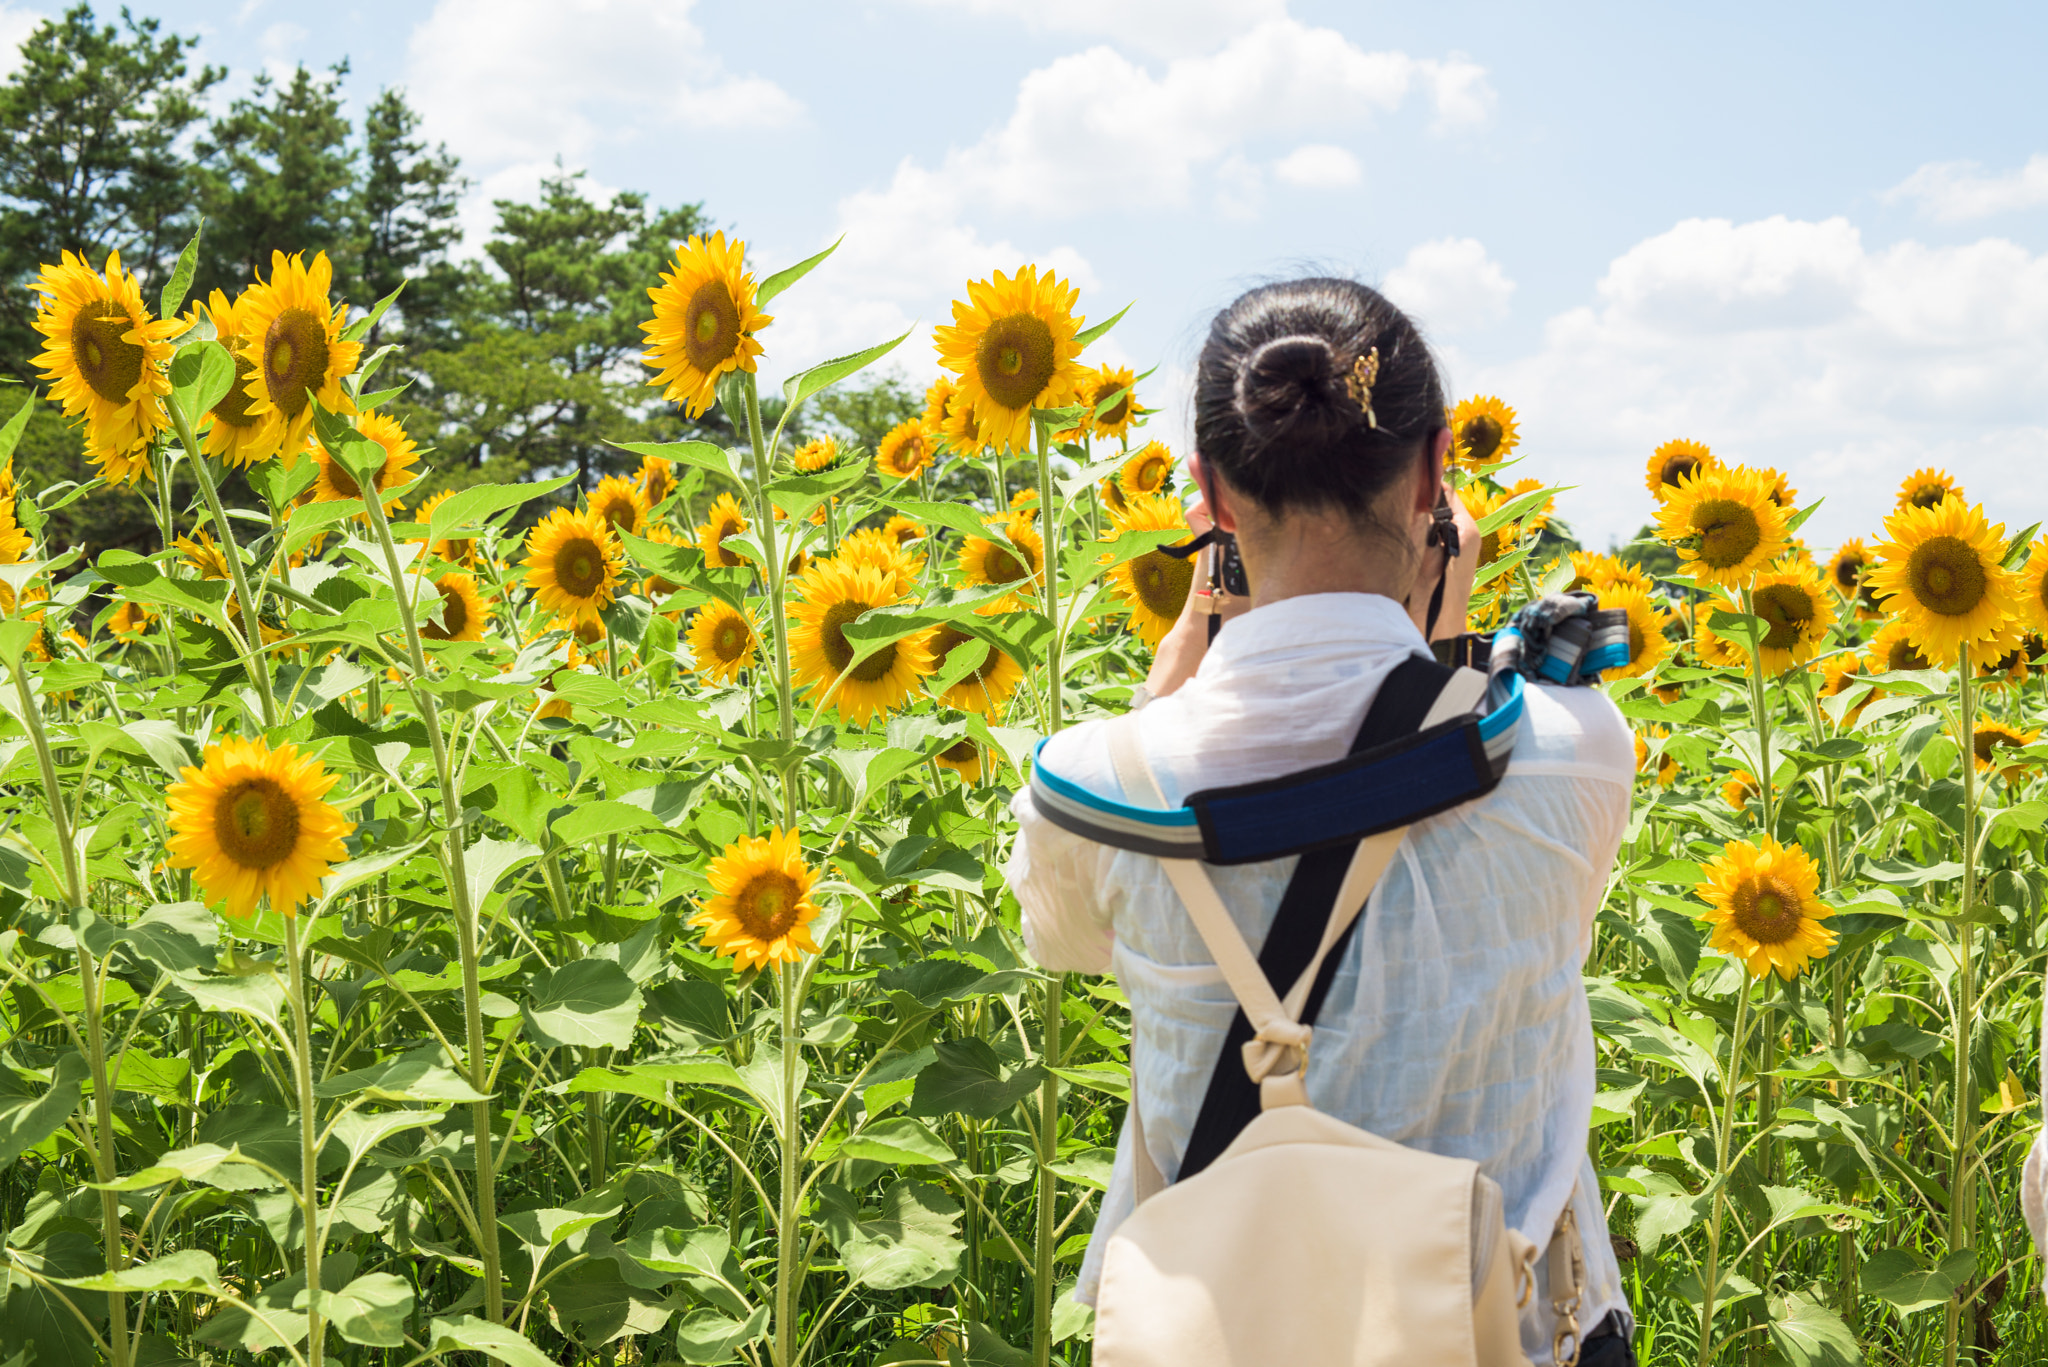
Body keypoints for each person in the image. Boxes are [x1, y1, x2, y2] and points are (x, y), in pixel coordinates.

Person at [1005, 277, 1639, 1366]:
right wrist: (1437, 660)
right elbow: (1543, 930)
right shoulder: (1567, 748)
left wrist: (1169, 681)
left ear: (1204, 491)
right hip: (1517, 1336)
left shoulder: (1093, 784)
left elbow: (1064, 943)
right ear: (1437, 470)